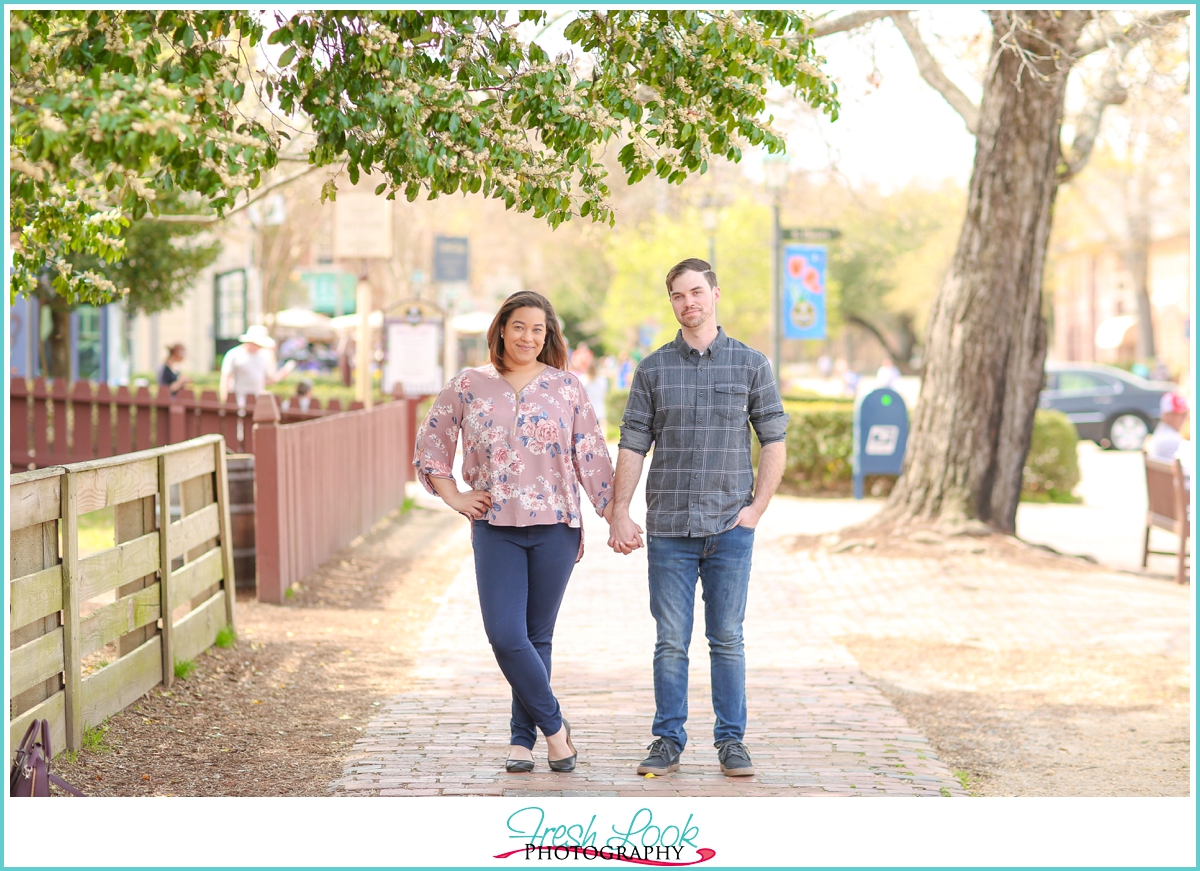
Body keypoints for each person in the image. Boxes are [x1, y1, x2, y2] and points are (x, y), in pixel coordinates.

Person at [413, 291, 616, 774]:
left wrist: (616, 515)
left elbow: (591, 455)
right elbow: (432, 446)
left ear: (548, 337)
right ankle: (557, 731)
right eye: (520, 326)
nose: (528, 337)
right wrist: (455, 496)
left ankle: (521, 742)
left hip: (555, 526)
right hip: (495, 526)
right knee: (506, 635)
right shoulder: (468, 385)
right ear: (502, 328)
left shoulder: (567, 387)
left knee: (536, 637)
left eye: (538, 330)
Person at [607, 258, 789, 778]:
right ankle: (667, 740)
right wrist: (619, 512)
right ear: (672, 303)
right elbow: (634, 443)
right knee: (670, 640)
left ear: (714, 293)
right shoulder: (653, 368)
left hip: (730, 528)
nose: (688, 303)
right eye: (678, 296)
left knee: (727, 638)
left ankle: (732, 742)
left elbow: (774, 438)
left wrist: (756, 510)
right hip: (668, 529)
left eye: (696, 292)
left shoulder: (752, 365)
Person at [219, 325, 296, 406]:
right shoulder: (234, 355)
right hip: (238, 401)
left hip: (257, 402)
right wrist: (224, 400)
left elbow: (266, 379)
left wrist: (282, 374)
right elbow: (225, 379)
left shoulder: (263, 356)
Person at [1148, 392, 1189, 462]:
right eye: (1178, 414)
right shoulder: (1171, 440)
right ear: (1166, 415)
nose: (1184, 418)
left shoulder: (1162, 432)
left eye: (1184, 414)